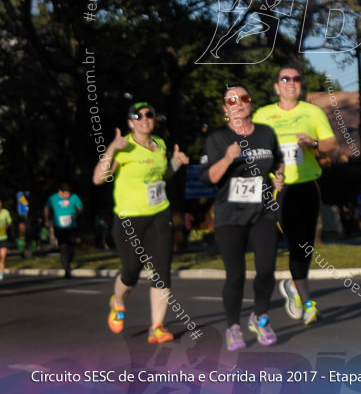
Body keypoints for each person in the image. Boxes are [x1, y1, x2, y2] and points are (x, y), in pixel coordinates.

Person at [92, 102, 189, 343]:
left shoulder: (160, 144)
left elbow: (161, 177)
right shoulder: (124, 147)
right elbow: (98, 179)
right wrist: (112, 148)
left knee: (161, 272)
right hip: (129, 219)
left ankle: (157, 327)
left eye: (149, 115)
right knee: (131, 272)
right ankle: (118, 302)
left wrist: (175, 163)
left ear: (154, 119)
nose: (144, 119)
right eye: (138, 116)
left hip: (159, 214)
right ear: (130, 122)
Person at [200, 85, 285, 351]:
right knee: (235, 276)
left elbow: (277, 162)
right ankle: (233, 326)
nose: (238, 103)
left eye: (243, 98)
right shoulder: (217, 138)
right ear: (226, 109)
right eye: (231, 100)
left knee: (266, 269)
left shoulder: (266, 133)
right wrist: (227, 158)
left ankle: (260, 317)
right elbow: (208, 178)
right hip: (229, 216)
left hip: (263, 212)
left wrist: (278, 178)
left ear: (251, 104)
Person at [252, 66, 336, 326]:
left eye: (296, 79)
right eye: (285, 79)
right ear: (277, 86)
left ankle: (294, 287)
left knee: (305, 243)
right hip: (277, 187)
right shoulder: (263, 115)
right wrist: (268, 173)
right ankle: (306, 300)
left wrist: (312, 144)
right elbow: (253, 149)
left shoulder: (312, 112)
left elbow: (330, 144)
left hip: (307, 185)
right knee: (295, 239)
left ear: (301, 85)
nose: (291, 82)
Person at [45, 183, 84, 278]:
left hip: (72, 226)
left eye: (68, 194)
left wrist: (76, 215)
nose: (67, 196)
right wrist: (46, 219)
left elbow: (80, 208)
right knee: (63, 246)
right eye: (65, 194)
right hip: (59, 226)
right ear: (60, 192)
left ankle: (68, 261)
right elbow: (46, 208)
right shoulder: (53, 198)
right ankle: (66, 268)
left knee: (72, 247)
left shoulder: (74, 197)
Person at [0, 197, 10, 281]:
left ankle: (1, 272)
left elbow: (9, 221)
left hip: (3, 237)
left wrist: (6, 226)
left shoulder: (5, 212)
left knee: (3, 256)